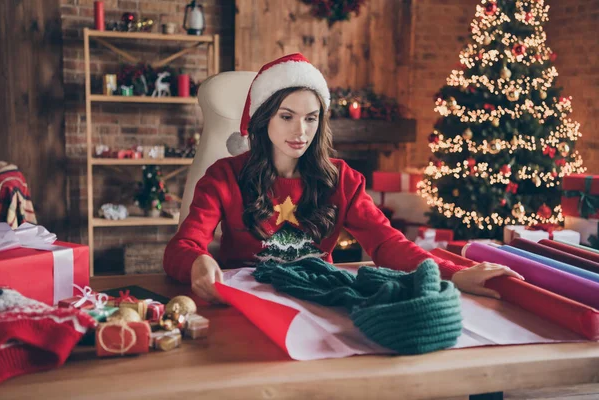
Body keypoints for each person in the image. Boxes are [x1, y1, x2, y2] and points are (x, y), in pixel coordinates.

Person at [164, 53, 523, 303]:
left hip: (321, 299)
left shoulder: (343, 179)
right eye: (286, 116)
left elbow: (387, 244)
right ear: (263, 119)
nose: (300, 131)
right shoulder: (224, 176)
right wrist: (197, 262)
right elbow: (181, 248)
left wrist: (452, 273)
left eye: (311, 118)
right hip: (245, 304)